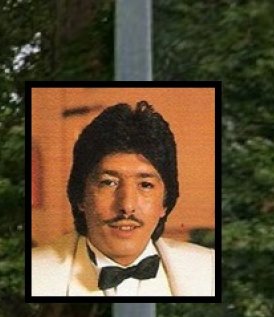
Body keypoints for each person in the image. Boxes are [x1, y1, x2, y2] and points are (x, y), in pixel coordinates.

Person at [30, 101, 214, 297]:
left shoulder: (208, 269)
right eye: (109, 183)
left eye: (145, 185)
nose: (126, 206)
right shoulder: (35, 273)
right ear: (81, 197)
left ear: (165, 203)